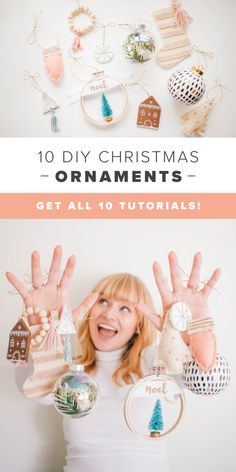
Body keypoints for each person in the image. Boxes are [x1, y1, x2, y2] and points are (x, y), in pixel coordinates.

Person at [6, 246, 220, 472]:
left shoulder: (151, 361)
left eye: (125, 308)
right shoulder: (69, 364)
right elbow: (28, 386)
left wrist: (193, 335)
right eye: (103, 301)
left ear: (139, 324)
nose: (109, 314)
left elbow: (207, 381)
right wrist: (43, 332)